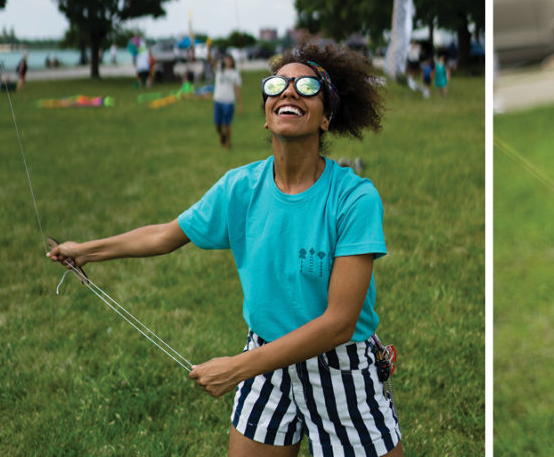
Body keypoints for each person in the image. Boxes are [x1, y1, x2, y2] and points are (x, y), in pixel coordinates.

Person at [47, 41, 404, 457]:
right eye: (277, 85)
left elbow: (339, 323)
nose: (288, 92)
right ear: (266, 117)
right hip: (265, 360)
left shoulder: (354, 199)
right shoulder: (240, 188)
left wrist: (236, 368)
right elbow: (165, 234)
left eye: (306, 87)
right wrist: (85, 251)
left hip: (340, 368)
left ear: (326, 118)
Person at [212, 53, 242, 149]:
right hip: (218, 100)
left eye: (230, 59)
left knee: (226, 124)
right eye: (226, 59)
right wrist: (208, 49)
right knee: (217, 125)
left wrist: (240, 103)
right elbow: (210, 60)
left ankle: (228, 142)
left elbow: (237, 89)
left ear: (232, 61)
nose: (228, 61)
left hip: (229, 101)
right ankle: (222, 135)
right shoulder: (219, 70)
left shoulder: (234, 73)